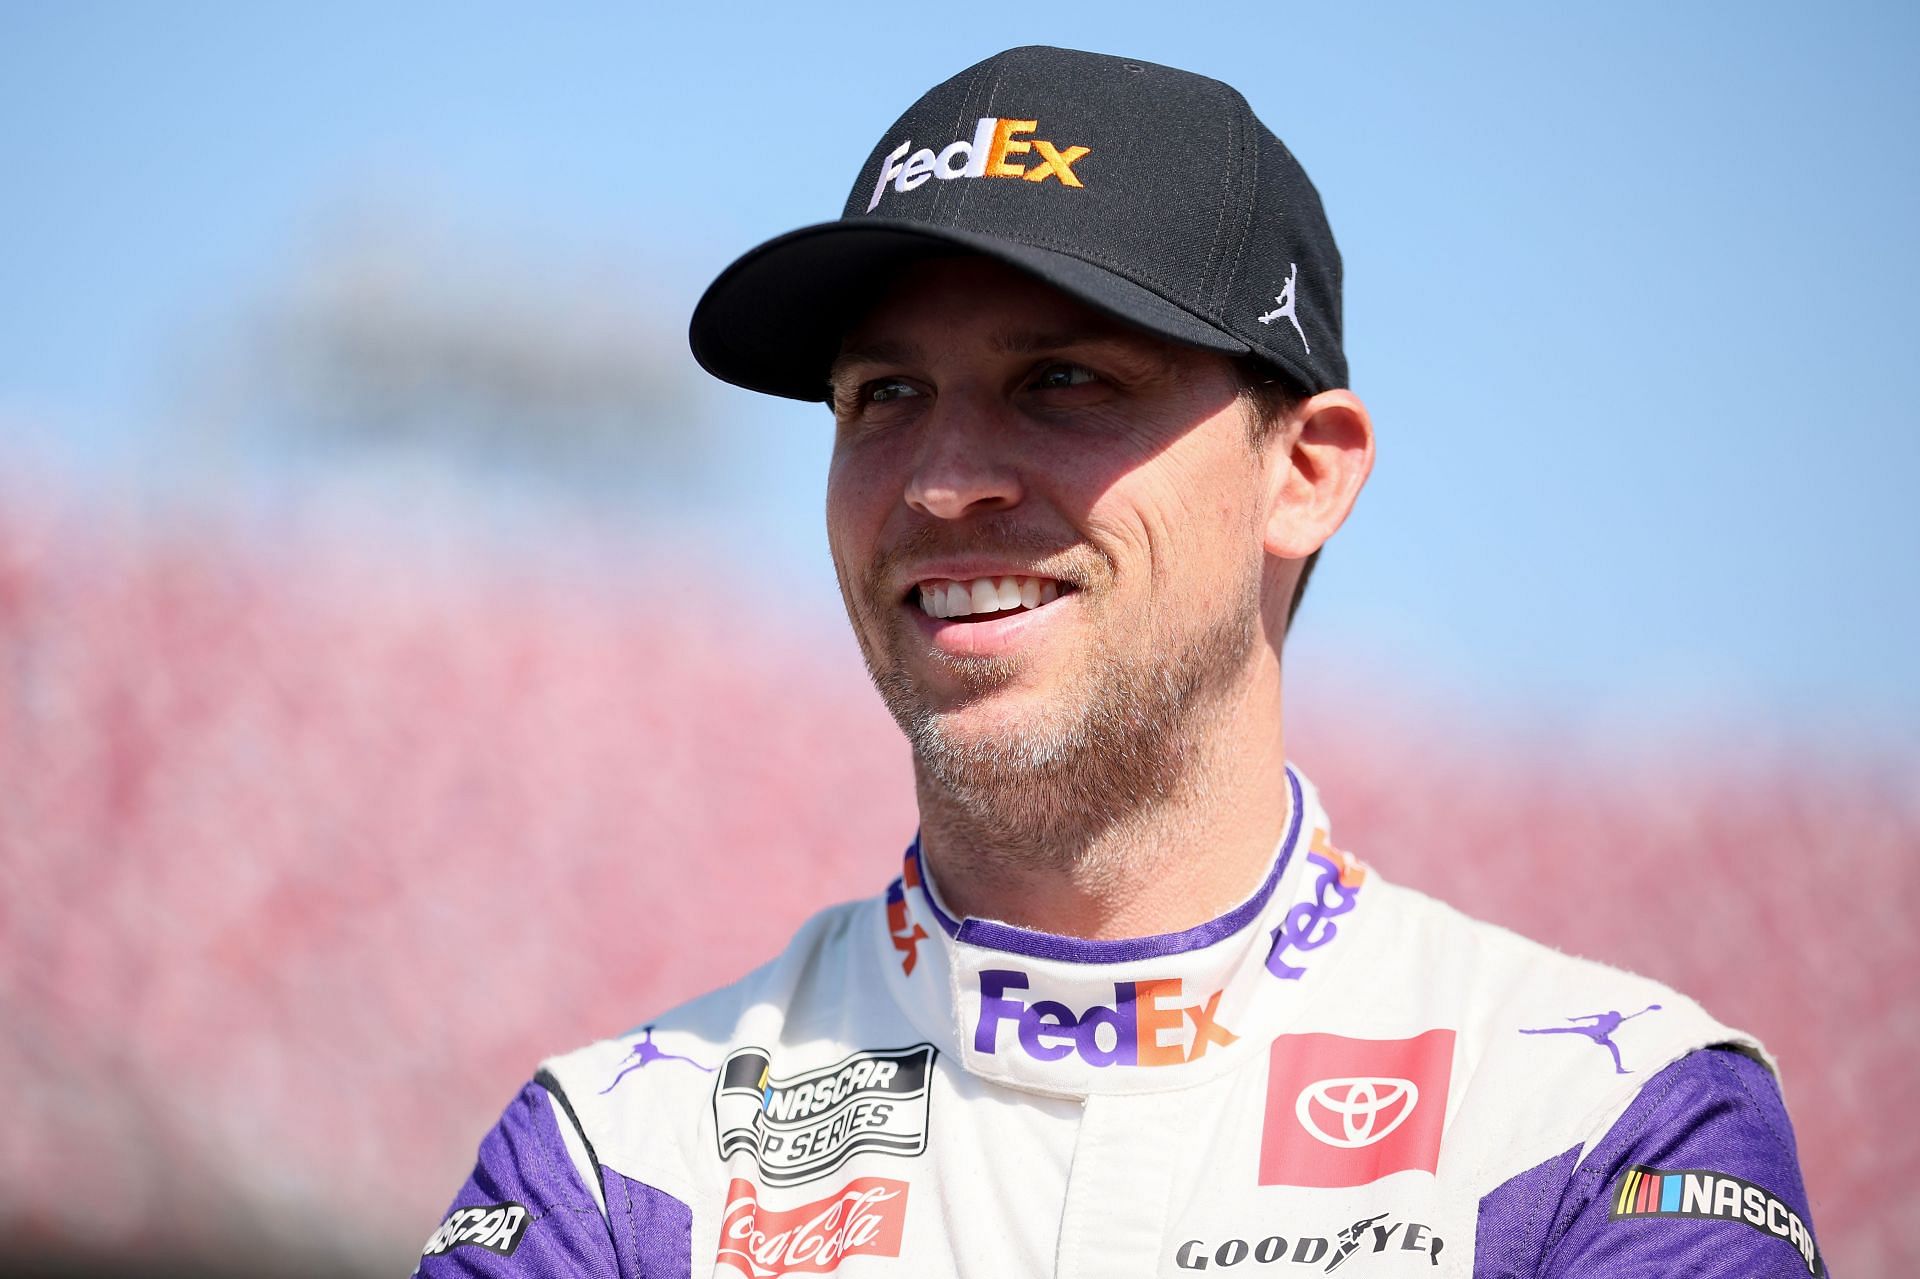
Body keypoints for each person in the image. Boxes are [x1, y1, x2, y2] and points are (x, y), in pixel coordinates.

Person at [416, 46, 1822, 1278]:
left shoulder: (1604, 1120)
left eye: (1066, 380)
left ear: (1308, 473)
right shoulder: (611, 1164)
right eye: (884, 395)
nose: (944, 479)